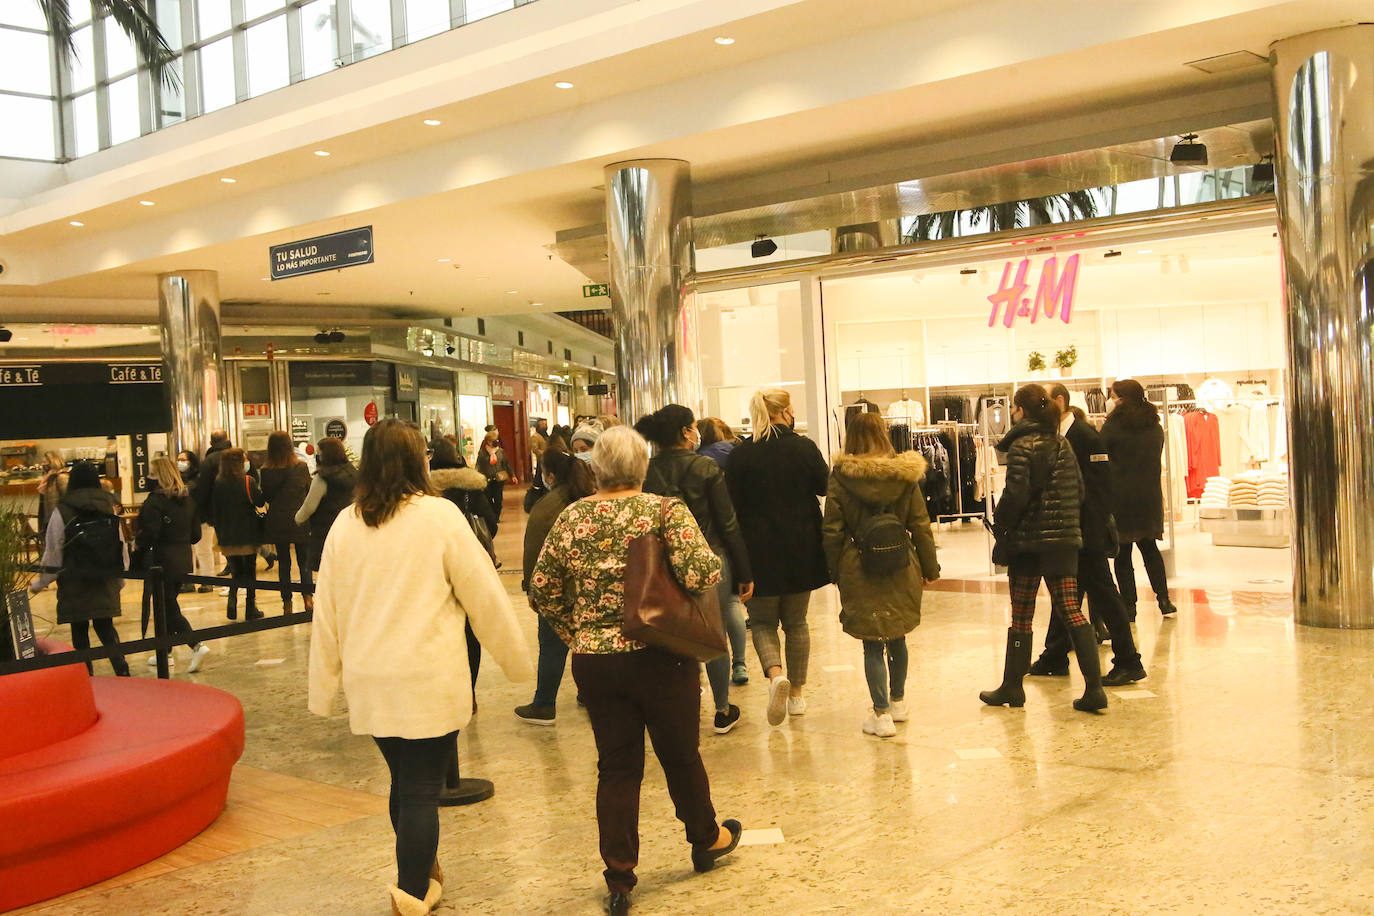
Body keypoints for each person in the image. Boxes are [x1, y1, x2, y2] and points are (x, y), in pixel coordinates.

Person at [308, 420, 532, 916]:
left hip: (371, 679)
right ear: (418, 460)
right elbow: (483, 596)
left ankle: (424, 869)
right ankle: (411, 892)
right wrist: (517, 660)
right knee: (419, 790)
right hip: (427, 675)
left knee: (404, 783)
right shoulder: (438, 516)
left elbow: (327, 611)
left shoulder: (346, 523)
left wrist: (323, 685)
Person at [529, 426, 741, 915]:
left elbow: (542, 587)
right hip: (662, 653)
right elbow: (702, 573)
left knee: (617, 766)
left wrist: (578, 633)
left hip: (597, 662)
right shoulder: (664, 511)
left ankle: (620, 878)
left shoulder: (572, 517)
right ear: (642, 467)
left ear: (596, 467)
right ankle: (705, 839)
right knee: (681, 755)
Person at [981, 384, 1106, 714]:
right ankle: (1094, 688)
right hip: (1063, 541)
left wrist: (1003, 526)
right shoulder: (1062, 443)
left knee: (1021, 614)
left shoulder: (1022, 445)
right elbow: (1079, 491)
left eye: (1014, 407)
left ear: (1021, 410)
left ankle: (1012, 686)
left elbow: (1016, 494)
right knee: (1071, 609)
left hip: (1028, 544)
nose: (1011, 413)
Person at [638, 404, 755, 735]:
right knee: (712, 634)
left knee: (672, 636)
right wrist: (744, 570)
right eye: (692, 426)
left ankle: (676, 710)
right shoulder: (705, 467)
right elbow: (728, 522)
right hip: (709, 557)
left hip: (664, 560)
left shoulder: (646, 470)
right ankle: (721, 709)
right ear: (684, 432)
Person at [822, 412, 940, 738]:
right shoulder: (904, 475)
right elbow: (920, 525)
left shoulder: (842, 476)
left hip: (858, 566)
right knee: (897, 633)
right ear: (884, 435)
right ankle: (898, 702)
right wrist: (930, 569)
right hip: (901, 564)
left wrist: (834, 570)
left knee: (873, 642)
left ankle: (881, 714)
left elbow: (832, 529)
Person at [1030, 385, 1148, 686]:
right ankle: (1054, 654)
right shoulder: (1057, 437)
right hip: (1071, 533)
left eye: (1045, 401)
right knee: (1067, 593)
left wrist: (1091, 535)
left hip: (1087, 534)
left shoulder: (1085, 436)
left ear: (1059, 401)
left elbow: (1100, 489)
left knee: (1104, 595)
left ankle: (1129, 661)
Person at [726, 388, 831, 726]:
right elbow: (825, 486)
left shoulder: (741, 455)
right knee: (797, 623)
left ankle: (775, 677)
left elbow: (731, 506)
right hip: (802, 548)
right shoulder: (803, 447)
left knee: (762, 623)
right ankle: (797, 694)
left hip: (757, 551)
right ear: (785, 411)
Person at [514, 445, 596, 725]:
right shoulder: (589, 496)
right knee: (588, 641)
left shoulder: (547, 507)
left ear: (548, 474)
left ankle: (543, 704)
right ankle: (589, 692)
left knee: (552, 645)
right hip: (591, 586)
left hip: (557, 588)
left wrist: (532, 589)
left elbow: (533, 551)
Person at [30, 461, 130, 676]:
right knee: (106, 627)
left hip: (74, 579)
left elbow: (53, 550)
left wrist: (40, 583)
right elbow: (120, 543)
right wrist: (120, 578)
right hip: (105, 577)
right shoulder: (109, 505)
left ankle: (86, 676)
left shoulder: (63, 509)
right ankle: (122, 671)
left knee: (80, 631)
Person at [1101, 379, 1178, 618]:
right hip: (1149, 496)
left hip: (1120, 498)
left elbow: (1101, 457)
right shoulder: (1154, 426)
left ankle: (1130, 607)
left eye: (1113, 396)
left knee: (1123, 556)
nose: (1110, 401)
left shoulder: (1112, 427)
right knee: (1150, 549)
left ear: (1121, 398)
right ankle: (1164, 600)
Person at [136, 456, 210, 673]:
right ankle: (165, 651)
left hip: (161, 561)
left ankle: (196, 645)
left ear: (158, 476)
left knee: (167, 606)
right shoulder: (188, 500)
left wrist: (138, 544)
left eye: (151, 473)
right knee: (167, 605)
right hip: (183, 559)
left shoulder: (154, 502)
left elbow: (150, 534)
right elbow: (196, 534)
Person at [259, 431, 313, 613]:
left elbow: (265, 496)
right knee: (303, 561)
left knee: (284, 563)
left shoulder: (266, 470)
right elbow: (308, 490)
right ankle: (307, 599)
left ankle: (287, 603)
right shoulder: (301, 467)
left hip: (278, 520)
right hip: (300, 519)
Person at [212, 448, 266, 621]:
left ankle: (232, 603)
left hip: (226, 535)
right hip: (247, 534)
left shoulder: (217, 483)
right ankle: (251, 607)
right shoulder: (247, 481)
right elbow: (259, 501)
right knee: (250, 571)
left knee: (236, 571)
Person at [295, 437, 358, 577]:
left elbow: (309, 506)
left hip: (326, 531)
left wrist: (298, 518)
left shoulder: (323, 478)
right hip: (351, 529)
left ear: (325, 455)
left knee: (329, 574)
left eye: (319, 453)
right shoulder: (353, 473)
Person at [177, 449, 216, 592]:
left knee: (203, 551)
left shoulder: (200, 478)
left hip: (202, 519)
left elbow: (200, 496)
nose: (180, 462)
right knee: (188, 552)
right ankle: (189, 581)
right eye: (178, 459)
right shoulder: (178, 478)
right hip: (185, 520)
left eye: (183, 459)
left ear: (191, 461)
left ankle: (208, 581)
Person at [475, 426, 515, 533]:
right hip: (486, 478)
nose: (495, 443)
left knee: (498, 498)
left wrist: (513, 475)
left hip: (499, 479)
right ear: (488, 441)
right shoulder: (483, 452)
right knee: (488, 498)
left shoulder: (501, 452)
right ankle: (492, 514)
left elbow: (506, 464)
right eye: (493, 441)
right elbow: (479, 464)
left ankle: (496, 515)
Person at [36, 451, 68, 540]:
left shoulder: (61, 477)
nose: (43, 464)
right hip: (49, 517)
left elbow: (67, 497)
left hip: (59, 518)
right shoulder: (48, 479)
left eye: (46, 462)